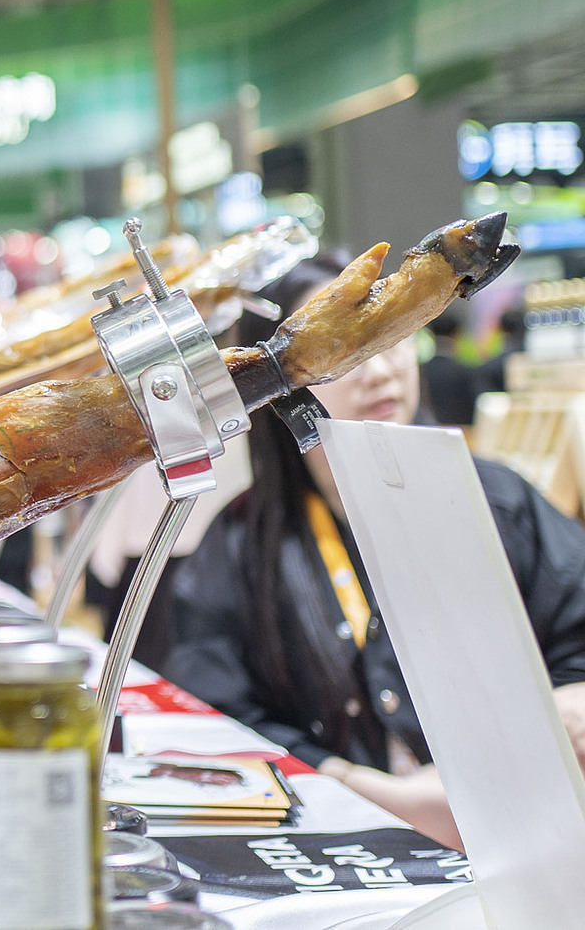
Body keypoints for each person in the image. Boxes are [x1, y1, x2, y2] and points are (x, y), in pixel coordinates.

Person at [167, 255, 585, 848]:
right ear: (281, 383)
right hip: (338, 851)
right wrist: (361, 788)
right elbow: (213, 718)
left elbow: (577, 630)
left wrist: (568, 711)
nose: (379, 373)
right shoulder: (238, 545)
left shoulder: (497, 500)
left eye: (392, 340)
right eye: (343, 357)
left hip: (533, 835)